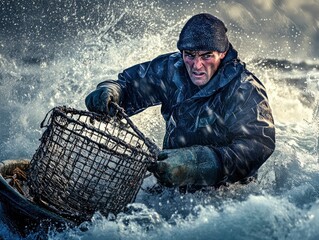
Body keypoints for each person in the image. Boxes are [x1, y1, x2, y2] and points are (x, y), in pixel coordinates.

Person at [85, 13, 276, 191]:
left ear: (223, 53)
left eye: (206, 56)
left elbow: (258, 144)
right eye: (190, 55)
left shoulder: (243, 88)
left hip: (224, 193)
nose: (196, 65)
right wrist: (112, 91)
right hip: (171, 180)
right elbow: (129, 86)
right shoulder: (171, 69)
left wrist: (198, 163)